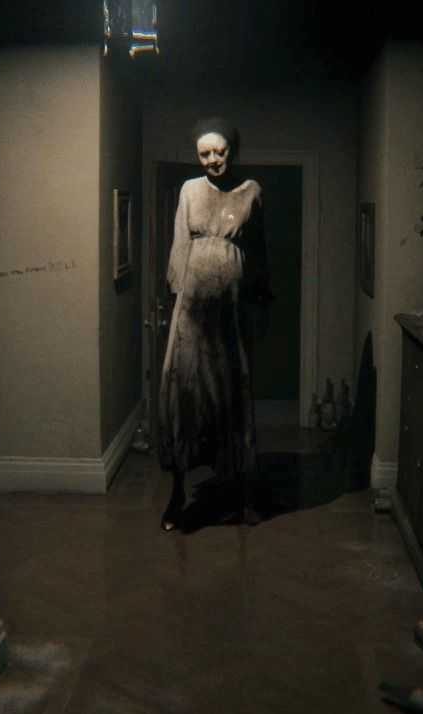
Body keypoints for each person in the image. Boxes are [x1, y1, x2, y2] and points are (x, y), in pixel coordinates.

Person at [158, 117, 272, 532]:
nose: (212, 160)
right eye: (204, 153)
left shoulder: (252, 191)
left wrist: (260, 300)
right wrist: (176, 299)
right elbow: (179, 245)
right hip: (192, 310)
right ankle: (177, 495)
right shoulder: (190, 190)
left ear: (232, 151)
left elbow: (258, 251)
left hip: (232, 312)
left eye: (218, 151)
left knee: (232, 396)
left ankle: (242, 494)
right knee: (185, 396)